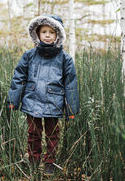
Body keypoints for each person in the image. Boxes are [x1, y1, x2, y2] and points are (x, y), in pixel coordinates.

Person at [7, 13, 79, 176]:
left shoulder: (65, 58)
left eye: (52, 32)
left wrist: (71, 110)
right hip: (32, 101)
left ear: (58, 35)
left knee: (53, 135)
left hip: (54, 103)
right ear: (37, 34)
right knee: (33, 134)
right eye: (44, 31)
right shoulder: (29, 55)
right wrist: (13, 100)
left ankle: (50, 163)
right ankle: (33, 160)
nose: (47, 35)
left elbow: (70, 84)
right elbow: (19, 77)